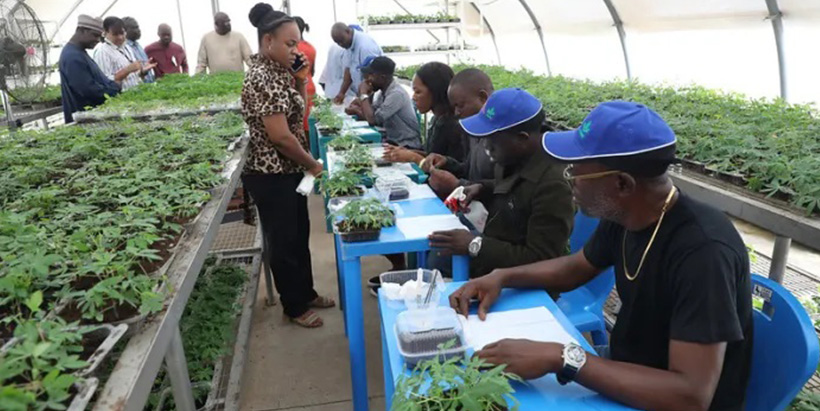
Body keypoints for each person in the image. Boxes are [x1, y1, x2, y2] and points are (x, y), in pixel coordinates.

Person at [449, 101, 753, 411]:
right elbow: (575, 267)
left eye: (576, 170)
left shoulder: (703, 252)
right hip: (626, 378)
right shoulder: (627, 216)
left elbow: (690, 395)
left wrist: (562, 357)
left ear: (622, 183)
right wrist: (502, 276)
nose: (570, 181)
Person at [242, 3, 334, 328]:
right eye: (289, 43)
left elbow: (300, 115)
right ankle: (293, 306)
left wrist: (301, 79)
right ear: (268, 42)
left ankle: (305, 292)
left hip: (290, 170)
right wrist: (313, 165)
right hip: (271, 174)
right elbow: (280, 137)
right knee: (283, 240)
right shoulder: (262, 76)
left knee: (298, 235)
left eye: (297, 43)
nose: (296, 49)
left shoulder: (281, 72)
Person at [428, 88, 574, 278]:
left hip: (525, 278)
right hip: (497, 244)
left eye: (491, 139)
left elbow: (542, 259)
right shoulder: (516, 157)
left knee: (440, 258)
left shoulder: (553, 186)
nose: (486, 145)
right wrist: (482, 188)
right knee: (438, 252)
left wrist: (475, 245)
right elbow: (513, 189)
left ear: (522, 139)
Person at [422, 68, 495, 197]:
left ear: (483, 97)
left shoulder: (502, 135)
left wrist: (457, 184)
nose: (456, 112)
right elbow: (468, 169)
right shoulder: (470, 129)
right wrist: (447, 162)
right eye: (454, 107)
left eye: (460, 105)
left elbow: (506, 188)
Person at [382, 62, 464, 166]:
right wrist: (405, 152)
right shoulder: (437, 119)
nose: (413, 98)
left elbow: (449, 169)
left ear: (435, 91)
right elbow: (432, 155)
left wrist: (414, 157)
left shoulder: (453, 126)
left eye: (418, 92)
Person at [345, 56, 421, 150]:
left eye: (371, 75)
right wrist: (360, 104)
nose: (368, 79)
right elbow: (372, 112)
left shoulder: (396, 94)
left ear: (382, 77)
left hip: (407, 146)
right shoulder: (383, 92)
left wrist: (363, 94)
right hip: (393, 143)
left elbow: (373, 120)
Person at [58, 15, 121, 123]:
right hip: (84, 121)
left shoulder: (79, 53)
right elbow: (88, 90)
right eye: (95, 35)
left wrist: (112, 85)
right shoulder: (72, 57)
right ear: (81, 30)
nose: (97, 40)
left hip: (89, 118)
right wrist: (114, 89)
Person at [94, 17, 155, 91]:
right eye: (115, 34)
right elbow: (105, 81)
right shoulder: (102, 52)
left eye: (122, 33)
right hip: (121, 98)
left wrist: (142, 72)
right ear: (105, 33)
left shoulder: (126, 47)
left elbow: (134, 77)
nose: (120, 37)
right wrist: (127, 70)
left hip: (137, 93)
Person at [330, 22, 382, 105]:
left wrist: (363, 100)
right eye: (337, 43)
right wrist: (342, 93)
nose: (341, 44)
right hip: (363, 94)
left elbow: (373, 78)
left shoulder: (365, 46)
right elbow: (348, 71)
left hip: (374, 96)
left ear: (348, 31)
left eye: (342, 41)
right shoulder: (348, 46)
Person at [294, 16, 316, 131]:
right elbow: (312, 71)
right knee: (310, 124)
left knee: (300, 124)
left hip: (299, 85)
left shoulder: (294, 48)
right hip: (310, 85)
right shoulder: (310, 47)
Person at [122, 17, 155, 83]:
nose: (139, 30)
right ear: (125, 31)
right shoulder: (124, 48)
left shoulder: (138, 46)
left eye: (138, 27)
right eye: (135, 28)